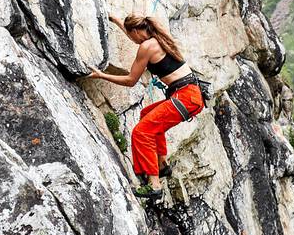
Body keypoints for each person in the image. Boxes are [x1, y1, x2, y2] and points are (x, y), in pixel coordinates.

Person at [88, 13, 206, 208]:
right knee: (146, 116)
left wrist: (101, 75)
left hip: (184, 97)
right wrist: (116, 20)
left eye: (130, 34)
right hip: (191, 95)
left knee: (142, 132)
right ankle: (162, 165)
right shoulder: (157, 38)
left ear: (135, 31)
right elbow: (136, 40)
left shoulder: (147, 46)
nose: (131, 39)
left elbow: (130, 81)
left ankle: (154, 185)